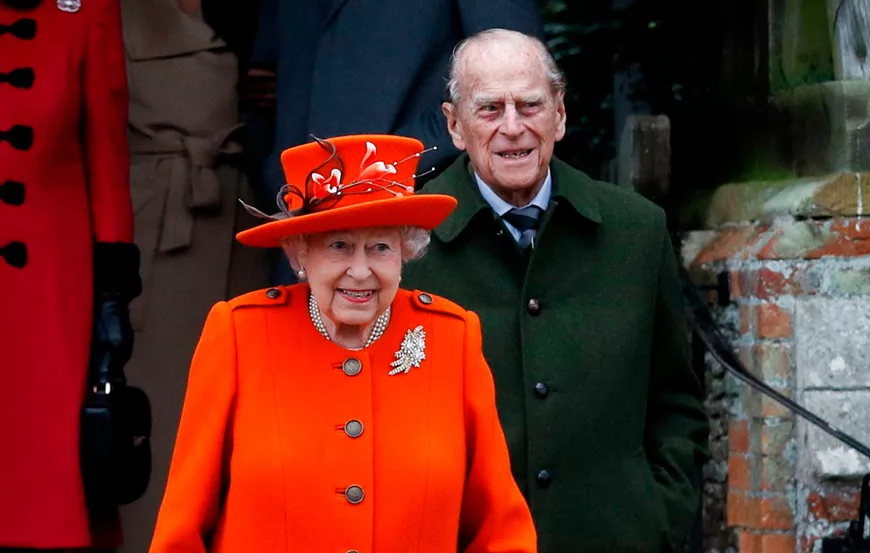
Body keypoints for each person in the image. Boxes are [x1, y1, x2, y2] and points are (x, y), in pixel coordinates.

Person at [148, 134, 537, 553]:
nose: (360, 271)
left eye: (380, 247)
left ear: (404, 252)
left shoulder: (451, 338)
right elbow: (181, 532)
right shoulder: (240, 334)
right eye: (339, 245)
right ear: (299, 252)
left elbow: (502, 533)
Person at [402, 29, 711, 553]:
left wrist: (657, 517)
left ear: (560, 114)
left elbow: (676, 402)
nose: (513, 127)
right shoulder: (406, 242)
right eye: (490, 109)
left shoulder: (635, 230)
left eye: (529, 105)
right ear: (454, 125)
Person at [113, 0, 272, 549]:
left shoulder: (257, 15)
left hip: (243, 221)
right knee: (154, 417)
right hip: (153, 224)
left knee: (246, 422)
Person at [241, 0, 546, 285]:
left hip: (423, 227)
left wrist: (380, 169)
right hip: (296, 222)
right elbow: (262, 86)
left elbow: (515, 82)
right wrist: (277, 173)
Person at [0, 0, 141, 548]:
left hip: (51, 287)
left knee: (44, 477)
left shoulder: (86, 9)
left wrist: (112, 294)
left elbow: (107, 158)